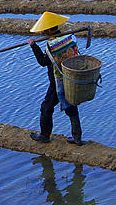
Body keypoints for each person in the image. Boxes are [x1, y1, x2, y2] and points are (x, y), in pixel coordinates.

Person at [27, 11, 84, 145]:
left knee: (46, 108)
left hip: (57, 81)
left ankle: (44, 136)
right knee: (71, 108)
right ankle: (77, 138)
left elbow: (43, 61)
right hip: (70, 78)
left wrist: (33, 46)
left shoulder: (51, 45)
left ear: (48, 30)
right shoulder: (69, 38)